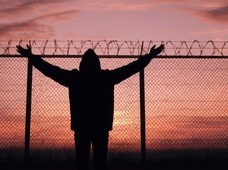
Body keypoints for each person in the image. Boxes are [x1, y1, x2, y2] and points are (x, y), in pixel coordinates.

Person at [16, 44, 164, 170]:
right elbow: (131, 68)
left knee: (82, 164)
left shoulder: (75, 78)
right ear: (97, 64)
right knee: (100, 164)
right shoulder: (105, 78)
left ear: (82, 64)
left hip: (82, 127)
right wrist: (149, 56)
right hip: (101, 127)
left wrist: (31, 57)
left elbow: (50, 70)